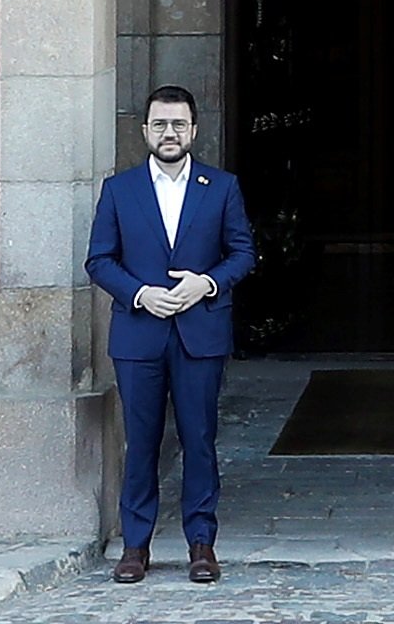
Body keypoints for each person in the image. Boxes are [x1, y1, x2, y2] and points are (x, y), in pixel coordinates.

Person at [85, 83, 255, 583]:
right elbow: (99, 259)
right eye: (160, 124)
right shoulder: (120, 190)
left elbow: (242, 253)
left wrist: (207, 282)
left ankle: (201, 543)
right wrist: (141, 294)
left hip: (199, 334)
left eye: (179, 124)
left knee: (200, 439)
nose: (169, 133)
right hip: (139, 335)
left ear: (194, 130)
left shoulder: (221, 187)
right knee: (141, 442)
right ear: (145, 131)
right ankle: (135, 546)